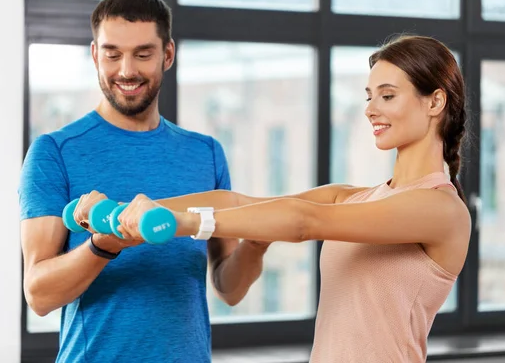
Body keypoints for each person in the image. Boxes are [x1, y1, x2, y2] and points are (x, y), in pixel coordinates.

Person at [74, 34, 472, 362]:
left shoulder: (440, 209)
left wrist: (186, 223)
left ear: (435, 102)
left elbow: (304, 222)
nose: (370, 109)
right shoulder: (354, 198)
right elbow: (235, 202)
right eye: (369, 96)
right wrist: (128, 211)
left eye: (387, 96)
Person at [18, 0, 271, 363]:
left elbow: (228, 288)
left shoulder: (205, 153)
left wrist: (258, 242)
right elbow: (39, 295)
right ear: (94, 54)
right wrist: (103, 246)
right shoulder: (55, 151)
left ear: (167, 54)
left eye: (142, 53)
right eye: (112, 53)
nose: (127, 70)